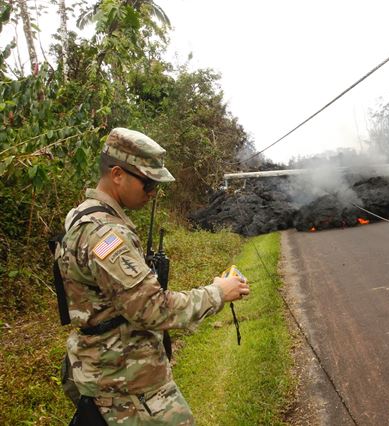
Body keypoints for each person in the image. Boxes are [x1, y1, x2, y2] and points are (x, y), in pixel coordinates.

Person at [57, 127, 250, 424]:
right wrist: (218, 292)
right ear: (117, 174)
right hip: (127, 385)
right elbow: (153, 309)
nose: (152, 192)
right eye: (147, 183)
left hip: (106, 374)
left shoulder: (82, 216)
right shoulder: (106, 234)